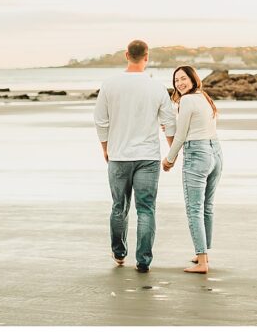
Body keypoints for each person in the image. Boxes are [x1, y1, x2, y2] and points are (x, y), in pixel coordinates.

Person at [93, 40, 177, 273]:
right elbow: (169, 122)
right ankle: (143, 261)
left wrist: (105, 148)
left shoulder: (110, 84)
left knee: (119, 206)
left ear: (126, 55)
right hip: (148, 157)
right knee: (146, 209)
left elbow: (101, 120)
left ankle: (119, 254)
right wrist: (172, 153)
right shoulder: (156, 87)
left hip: (119, 155)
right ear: (147, 57)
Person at [162, 65, 222, 274]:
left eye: (183, 78)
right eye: (176, 80)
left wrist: (169, 160)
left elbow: (181, 136)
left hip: (197, 154)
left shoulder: (187, 100)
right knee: (207, 206)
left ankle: (203, 262)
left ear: (193, 79)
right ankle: (202, 253)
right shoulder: (203, 97)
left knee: (194, 209)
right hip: (215, 152)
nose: (179, 83)